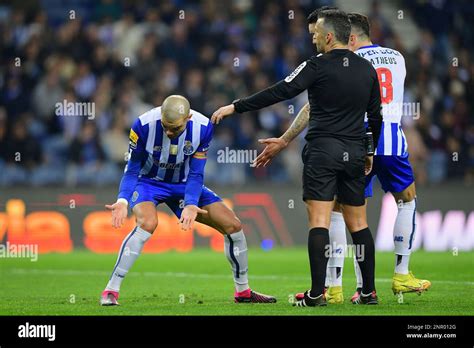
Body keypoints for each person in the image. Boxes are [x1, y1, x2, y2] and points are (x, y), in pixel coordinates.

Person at [254, 12, 431, 304]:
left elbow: (313, 108)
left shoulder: (348, 64)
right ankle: (400, 274)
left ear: (348, 37)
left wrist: (286, 139)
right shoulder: (397, 57)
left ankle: (333, 286)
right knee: (406, 200)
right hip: (390, 139)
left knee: (336, 212)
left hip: (354, 140)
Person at [212, 10, 382, 306]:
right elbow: (375, 116)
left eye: (316, 35)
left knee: (319, 221)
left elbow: (281, 91)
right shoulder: (367, 69)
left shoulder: (316, 66)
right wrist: (370, 151)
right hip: (355, 152)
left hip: (323, 151)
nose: (313, 39)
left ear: (329, 36)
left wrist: (236, 107)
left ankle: (317, 293)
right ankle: (368, 292)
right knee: (359, 224)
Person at [100, 95, 276, 305]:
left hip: (184, 184)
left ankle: (243, 292)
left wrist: (191, 204)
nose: (168, 132)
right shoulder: (143, 125)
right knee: (147, 223)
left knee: (234, 226)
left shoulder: (203, 127)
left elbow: (196, 173)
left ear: (188, 118)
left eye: (174, 129)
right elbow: (132, 169)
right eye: (165, 126)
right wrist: (122, 201)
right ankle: (111, 290)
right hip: (148, 182)